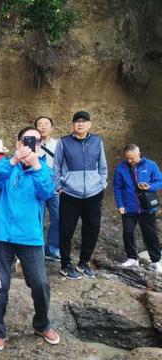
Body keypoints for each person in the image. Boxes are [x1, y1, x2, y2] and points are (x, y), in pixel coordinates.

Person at [0, 126, 59, 351]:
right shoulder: (7, 164)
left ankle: (42, 324)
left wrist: (36, 166)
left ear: (40, 146)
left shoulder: (44, 169)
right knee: (0, 284)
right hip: (2, 233)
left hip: (30, 236)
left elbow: (47, 192)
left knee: (41, 284)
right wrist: (14, 160)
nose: (31, 145)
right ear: (18, 143)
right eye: (27, 140)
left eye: (36, 141)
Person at [54, 111, 108, 280]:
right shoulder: (64, 142)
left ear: (89, 124)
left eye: (84, 121)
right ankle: (65, 265)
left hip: (94, 193)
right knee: (66, 230)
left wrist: (102, 184)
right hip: (70, 193)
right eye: (77, 121)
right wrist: (59, 187)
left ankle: (83, 263)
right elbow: (56, 166)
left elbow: (103, 166)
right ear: (73, 125)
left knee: (92, 229)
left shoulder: (97, 141)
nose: (80, 124)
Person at [113, 144, 162, 272]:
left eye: (132, 158)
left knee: (150, 234)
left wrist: (149, 187)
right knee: (128, 232)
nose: (129, 161)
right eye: (127, 158)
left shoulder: (151, 165)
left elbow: (160, 181)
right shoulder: (121, 168)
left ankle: (156, 261)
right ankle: (132, 258)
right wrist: (120, 204)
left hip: (147, 207)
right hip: (128, 207)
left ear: (138, 154)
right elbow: (117, 188)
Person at [35, 116, 61, 261]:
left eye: (46, 124)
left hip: (53, 186)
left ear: (52, 128)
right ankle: (36, 248)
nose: (43, 127)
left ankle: (53, 248)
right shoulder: (31, 143)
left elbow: (64, 164)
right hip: (36, 187)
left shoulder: (58, 145)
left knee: (57, 217)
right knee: (36, 218)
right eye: (40, 124)